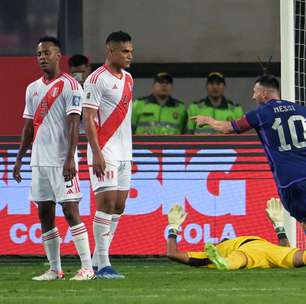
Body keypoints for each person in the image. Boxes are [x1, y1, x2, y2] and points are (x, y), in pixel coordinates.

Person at [13, 36, 94, 280]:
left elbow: (73, 124)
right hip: (39, 161)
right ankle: (54, 268)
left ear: (59, 56)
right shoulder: (32, 88)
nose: (42, 58)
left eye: (47, 53)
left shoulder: (71, 86)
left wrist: (70, 157)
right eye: (39, 54)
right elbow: (28, 127)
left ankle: (87, 268)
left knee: (70, 210)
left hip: (62, 161)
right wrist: (19, 159)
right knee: (44, 213)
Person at [191, 74, 306, 232]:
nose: (253, 97)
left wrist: (208, 120)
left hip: (290, 180)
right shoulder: (302, 110)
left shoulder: (260, 113)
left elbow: (229, 128)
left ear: (264, 93)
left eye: (255, 92)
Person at [82, 30, 133, 279]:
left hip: (125, 153)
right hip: (104, 150)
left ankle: (95, 260)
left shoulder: (129, 78)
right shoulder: (95, 79)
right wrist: (97, 153)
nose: (129, 56)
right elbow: (88, 118)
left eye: (131, 52)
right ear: (110, 51)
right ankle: (103, 264)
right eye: (124, 51)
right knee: (106, 204)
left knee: (120, 206)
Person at [166, 200, 306, 270]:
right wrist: (173, 228)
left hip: (268, 250)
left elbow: (284, 249)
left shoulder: (218, 248)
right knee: (238, 258)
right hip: (246, 252)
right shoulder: (210, 253)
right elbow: (172, 254)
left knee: (298, 256)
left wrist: (278, 225)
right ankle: (224, 263)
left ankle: (225, 263)